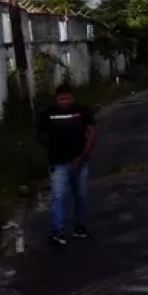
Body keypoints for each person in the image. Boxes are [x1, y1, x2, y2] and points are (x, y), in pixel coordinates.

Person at [37, 84, 98, 246]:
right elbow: (40, 135)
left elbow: (92, 133)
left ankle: (80, 227)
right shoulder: (48, 113)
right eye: (61, 99)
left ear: (73, 97)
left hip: (80, 161)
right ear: (56, 99)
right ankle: (57, 232)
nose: (65, 102)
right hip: (58, 163)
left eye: (68, 98)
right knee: (58, 196)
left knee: (81, 195)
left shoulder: (82, 111)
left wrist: (82, 156)